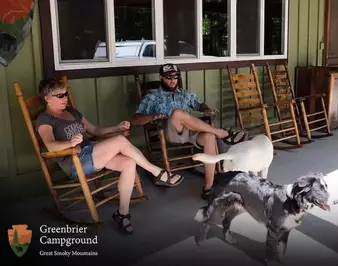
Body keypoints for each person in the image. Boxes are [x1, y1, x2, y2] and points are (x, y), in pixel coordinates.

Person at [35, 78, 184, 234]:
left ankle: (123, 213)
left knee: (128, 163)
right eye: (60, 96)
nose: (65, 98)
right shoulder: (45, 119)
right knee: (120, 140)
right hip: (75, 162)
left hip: (91, 153)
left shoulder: (72, 111)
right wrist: (70, 143)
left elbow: (95, 130)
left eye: (65, 94)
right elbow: (50, 145)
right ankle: (158, 173)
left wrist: (117, 127)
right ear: (47, 98)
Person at [131, 63, 247, 200]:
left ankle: (208, 187)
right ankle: (222, 133)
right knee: (178, 113)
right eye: (168, 77)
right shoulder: (152, 97)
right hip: (171, 132)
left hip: (191, 131)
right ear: (161, 77)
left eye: (175, 77)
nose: (172, 80)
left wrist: (205, 109)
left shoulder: (185, 93)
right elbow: (135, 119)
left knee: (209, 136)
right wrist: (152, 116)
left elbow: (200, 104)